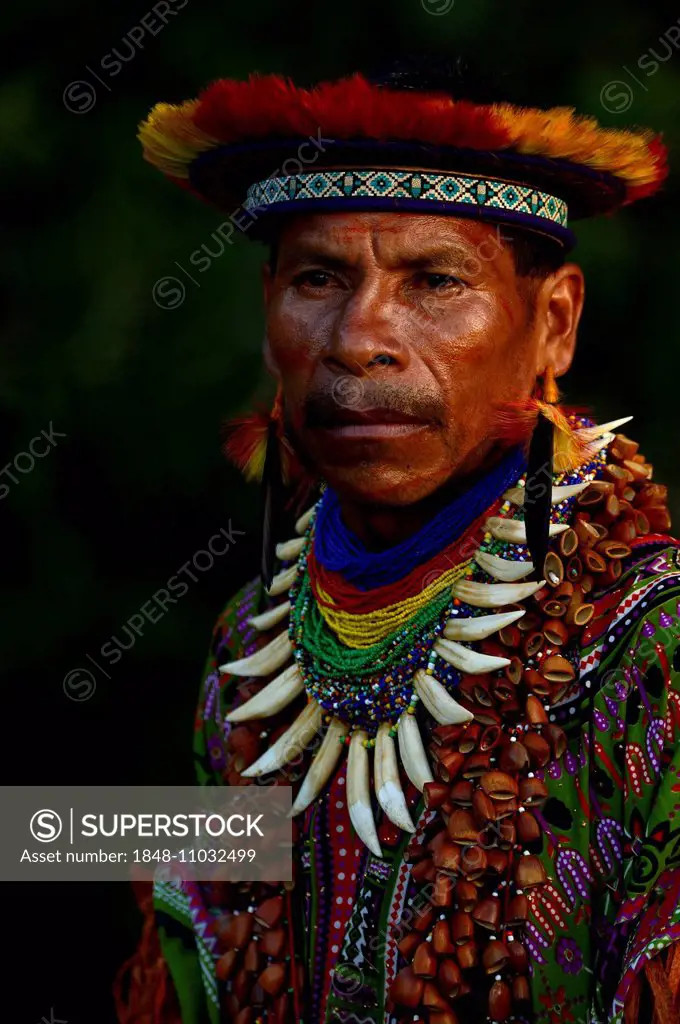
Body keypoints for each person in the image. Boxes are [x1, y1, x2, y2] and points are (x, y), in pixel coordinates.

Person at [118, 63, 680, 1024]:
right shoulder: (250, 643)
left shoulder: (649, 642)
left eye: (435, 281)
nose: (358, 337)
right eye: (319, 279)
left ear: (555, 323)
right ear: (268, 318)